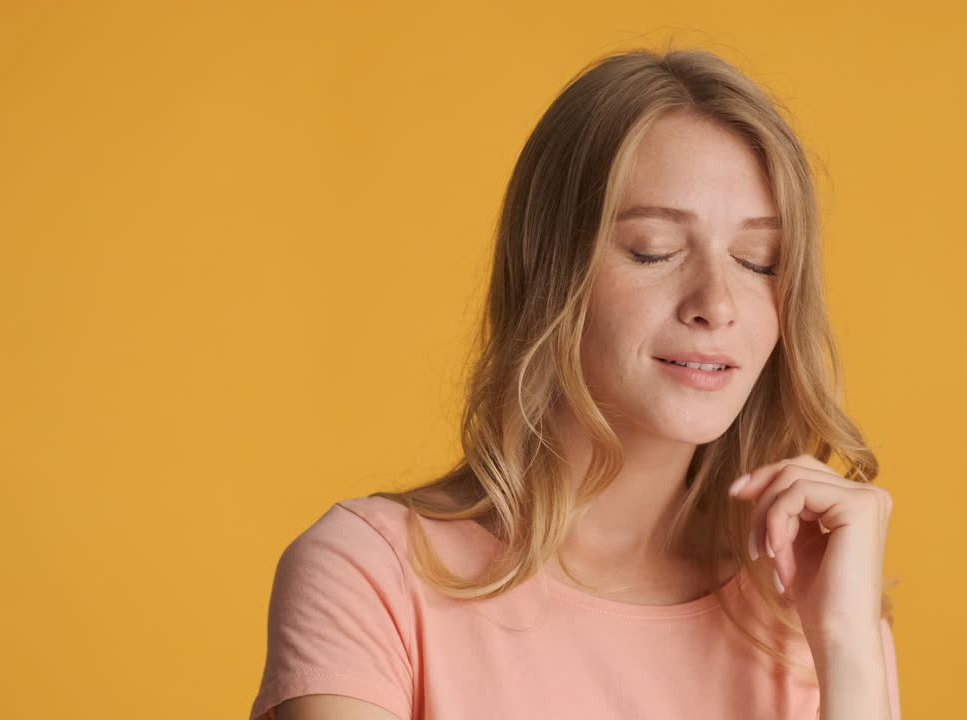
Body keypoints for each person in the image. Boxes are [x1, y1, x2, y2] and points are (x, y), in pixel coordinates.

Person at [249, 45, 901, 720]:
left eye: (758, 261)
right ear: (553, 271)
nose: (718, 301)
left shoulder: (817, 619)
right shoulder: (372, 572)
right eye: (655, 250)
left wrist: (849, 650)